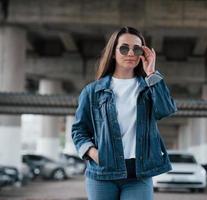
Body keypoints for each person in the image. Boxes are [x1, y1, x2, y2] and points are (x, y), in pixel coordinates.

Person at [71, 26, 177, 200]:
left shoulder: (149, 87)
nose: (130, 53)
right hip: (102, 172)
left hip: (139, 173)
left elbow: (166, 109)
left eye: (136, 49)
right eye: (124, 48)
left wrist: (151, 73)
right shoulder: (92, 91)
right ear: (113, 52)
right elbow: (79, 130)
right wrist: (93, 153)